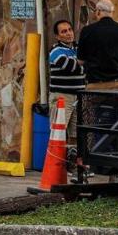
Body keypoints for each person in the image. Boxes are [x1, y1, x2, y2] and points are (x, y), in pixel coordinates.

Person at [77, 0, 118, 89]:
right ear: (112, 12)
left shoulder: (87, 31)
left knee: (94, 104)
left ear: (98, 12)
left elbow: (80, 61)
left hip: (94, 86)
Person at [48, 19, 85, 149]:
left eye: (70, 30)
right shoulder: (55, 50)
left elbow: (89, 65)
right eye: (64, 31)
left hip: (78, 97)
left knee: (76, 135)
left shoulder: (79, 48)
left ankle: (72, 166)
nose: (69, 33)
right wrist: (83, 65)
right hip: (62, 97)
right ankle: (56, 166)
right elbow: (70, 66)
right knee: (58, 133)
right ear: (57, 36)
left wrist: (83, 65)